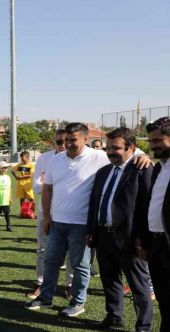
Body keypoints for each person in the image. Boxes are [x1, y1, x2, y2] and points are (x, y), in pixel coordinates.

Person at [25, 122, 151, 316]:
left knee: (80, 266)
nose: (68, 144)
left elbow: (128, 149)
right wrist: (48, 216)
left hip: (82, 223)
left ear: (85, 139)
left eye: (73, 140)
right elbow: (47, 188)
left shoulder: (99, 156)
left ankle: (78, 302)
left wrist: (142, 155)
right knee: (51, 260)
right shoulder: (56, 160)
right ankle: (46, 297)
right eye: (65, 140)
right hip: (57, 222)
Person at [86, 127, 153, 332]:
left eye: (116, 148)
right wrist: (91, 230)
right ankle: (114, 317)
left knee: (138, 285)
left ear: (131, 148)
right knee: (109, 280)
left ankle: (143, 326)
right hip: (103, 235)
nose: (110, 152)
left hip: (130, 238)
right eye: (108, 147)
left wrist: (143, 238)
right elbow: (94, 203)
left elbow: (146, 207)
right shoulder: (103, 172)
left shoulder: (143, 169)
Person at [139, 117, 170, 332]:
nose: (153, 145)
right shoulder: (160, 166)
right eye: (151, 141)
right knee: (164, 296)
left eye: (158, 139)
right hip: (157, 242)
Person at [30, 131, 73, 298]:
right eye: (59, 141)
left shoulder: (78, 158)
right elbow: (37, 187)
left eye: (66, 141)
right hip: (45, 210)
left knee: (71, 251)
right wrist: (58, 186)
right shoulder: (44, 158)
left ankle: (69, 285)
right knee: (43, 249)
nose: (62, 145)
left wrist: (49, 183)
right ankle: (41, 283)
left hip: (69, 211)